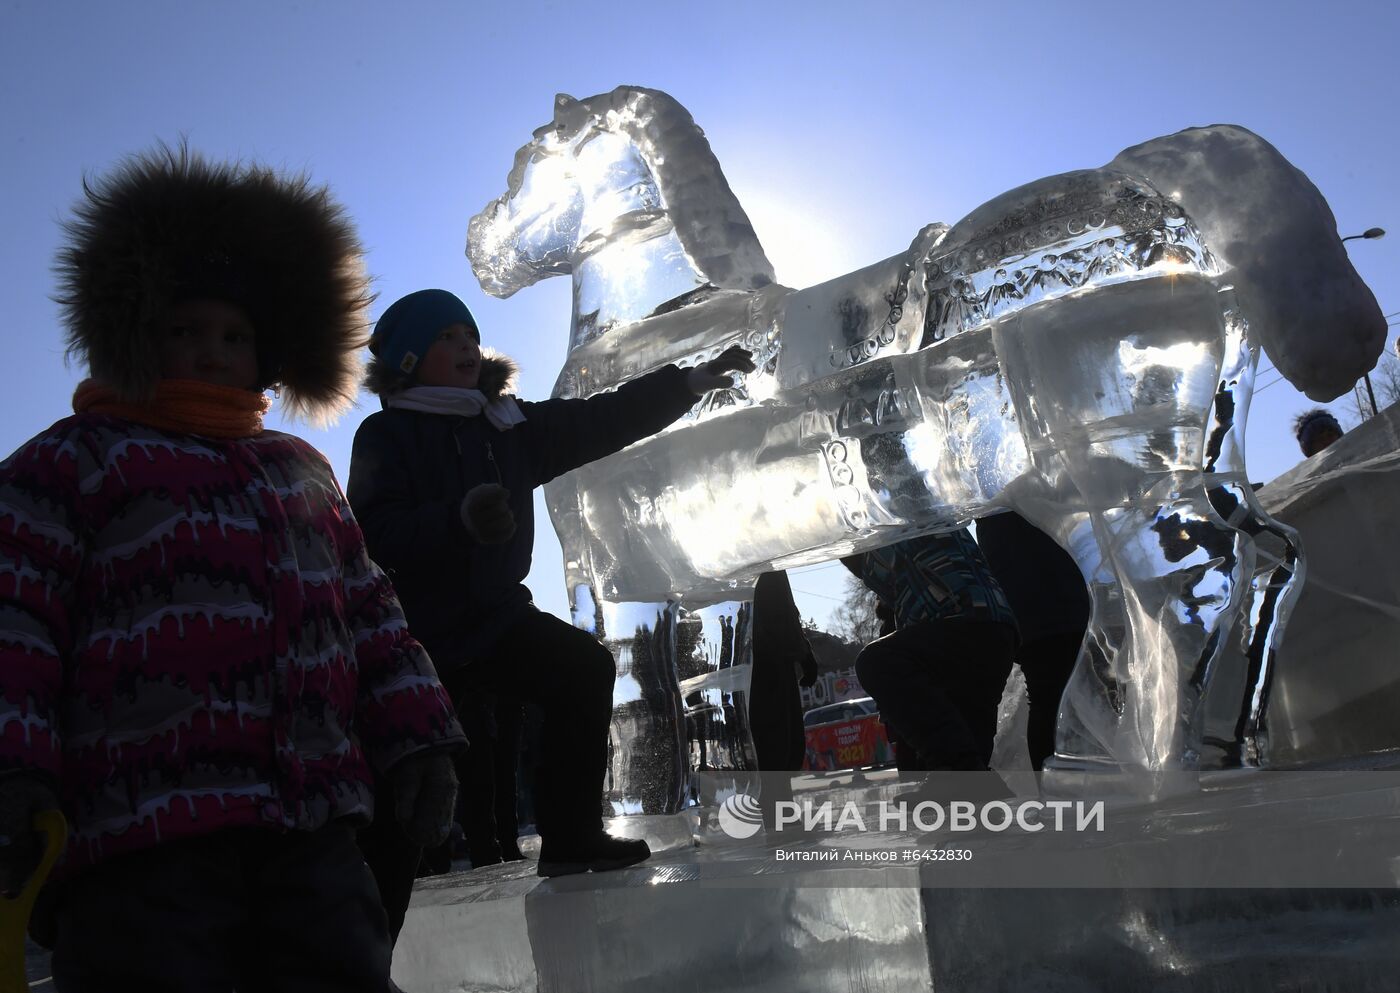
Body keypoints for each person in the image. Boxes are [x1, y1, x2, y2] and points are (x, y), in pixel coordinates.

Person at [0, 146, 466, 993]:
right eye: (185, 330)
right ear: (138, 334)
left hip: (311, 825)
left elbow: (369, 611)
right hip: (140, 837)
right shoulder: (72, 462)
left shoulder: (300, 469)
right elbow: (15, 618)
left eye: (234, 335)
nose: (211, 352)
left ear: (269, 352)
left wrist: (417, 735)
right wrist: (16, 766)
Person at [347, 288, 752, 893]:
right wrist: (457, 522)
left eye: (469, 334)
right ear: (409, 359)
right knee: (413, 763)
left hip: (497, 617)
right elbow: (373, 533)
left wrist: (685, 384)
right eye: (446, 337)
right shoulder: (385, 434)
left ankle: (569, 838)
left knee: (583, 668)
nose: (466, 345)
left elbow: (599, 419)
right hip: (417, 632)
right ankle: (372, 897)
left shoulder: (507, 426)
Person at [842, 530, 1018, 775]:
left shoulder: (885, 537)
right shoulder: (934, 521)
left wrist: (839, 542)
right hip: (998, 626)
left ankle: (958, 773)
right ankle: (972, 786)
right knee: (970, 740)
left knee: (875, 662)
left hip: (959, 622)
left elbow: (866, 567)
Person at [974, 512, 1091, 770]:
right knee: (1058, 695)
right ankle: (1062, 777)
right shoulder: (1014, 509)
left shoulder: (992, 515)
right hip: (1053, 606)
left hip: (1035, 611)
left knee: (1050, 696)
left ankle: (1058, 778)